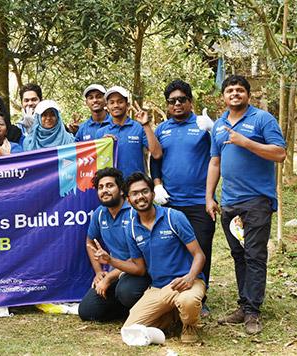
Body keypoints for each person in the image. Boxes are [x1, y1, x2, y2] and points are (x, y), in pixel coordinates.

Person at [208, 75, 286, 334]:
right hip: (230, 203)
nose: (234, 94)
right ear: (224, 96)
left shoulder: (262, 119)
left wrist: (247, 143)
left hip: (257, 201)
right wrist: (210, 197)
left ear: (248, 95)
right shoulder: (218, 126)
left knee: (255, 255)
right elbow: (215, 162)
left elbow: (279, 153)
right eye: (229, 90)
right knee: (238, 255)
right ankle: (243, 305)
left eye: (240, 90)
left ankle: (253, 312)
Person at [88, 172, 206, 343]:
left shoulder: (174, 217)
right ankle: (173, 316)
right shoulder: (132, 229)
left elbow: (199, 255)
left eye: (144, 191)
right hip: (158, 288)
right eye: (135, 194)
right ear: (128, 199)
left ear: (152, 194)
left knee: (188, 301)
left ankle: (189, 325)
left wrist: (190, 277)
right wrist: (111, 261)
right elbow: (138, 268)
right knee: (130, 331)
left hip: (186, 283)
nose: (140, 197)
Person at [150, 80, 215, 316]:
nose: (177, 104)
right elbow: (155, 159)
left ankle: (201, 296)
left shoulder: (202, 125)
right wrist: (157, 185)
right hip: (171, 203)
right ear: (167, 106)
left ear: (190, 101)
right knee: (176, 250)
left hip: (199, 201)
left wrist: (213, 129)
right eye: (172, 101)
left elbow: (220, 154)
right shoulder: (162, 129)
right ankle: (176, 294)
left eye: (181, 100)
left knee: (201, 249)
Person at [78, 168, 150, 322]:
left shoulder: (134, 213)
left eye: (110, 186)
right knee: (87, 311)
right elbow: (89, 242)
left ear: (122, 191)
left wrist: (108, 278)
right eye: (101, 187)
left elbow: (141, 260)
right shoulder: (100, 213)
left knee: (126, 292)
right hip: (116, 273)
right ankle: (125, 310)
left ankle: (147, 307)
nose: (105, 190)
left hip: (139, 272)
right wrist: (98, 272)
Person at [94, 86, 162, 178]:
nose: (116, 105)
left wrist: (146, 124)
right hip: (112, 187)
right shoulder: (101, 132)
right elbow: (95, 163)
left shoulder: (139, 128)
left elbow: (157, 154)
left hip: (136, 187)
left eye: (120, 102)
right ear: (107, 106)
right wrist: (103, 145)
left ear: (128, 105)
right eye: (112, 102)